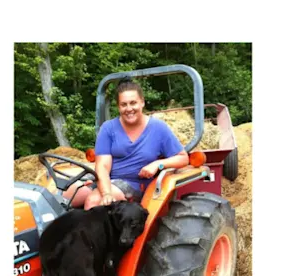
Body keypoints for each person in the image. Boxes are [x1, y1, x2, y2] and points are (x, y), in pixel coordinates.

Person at [63, 78, 189, 209]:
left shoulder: (158, 128)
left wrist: (158, 164)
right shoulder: (108, 128)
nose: (129, 109)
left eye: (133, 103)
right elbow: (102, 167)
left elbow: (183, 158)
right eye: (124, 104)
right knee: (63, 195)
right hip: (106, 181)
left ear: (142, 103)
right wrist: (106, 192)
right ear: (118, 106)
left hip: (135, 185)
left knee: (94, 202)